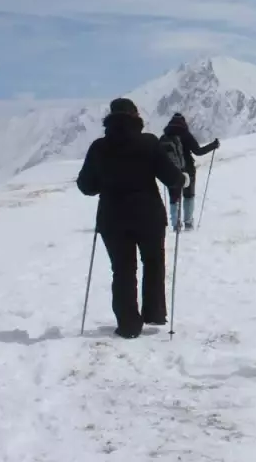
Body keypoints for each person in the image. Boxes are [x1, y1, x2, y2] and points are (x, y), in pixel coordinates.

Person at [76, 97, 186, 338]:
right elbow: (172, 177)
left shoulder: (99, 147)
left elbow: (86, 186)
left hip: (112, 219)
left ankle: (128, 325)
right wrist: (182, 179)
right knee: (153, 263)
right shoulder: (148, 143)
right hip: (149, 216)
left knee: (123, 270)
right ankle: (154, 313)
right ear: (135, 116)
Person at [159, 113, 220, 231]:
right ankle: (188, 223)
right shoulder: (186, 135)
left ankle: (175, 225)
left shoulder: (165, 137)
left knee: (174, 198)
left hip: (171, 171)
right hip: (188, 170)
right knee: (189, 196)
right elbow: (198, 151)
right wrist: (213, 145)